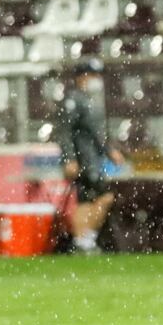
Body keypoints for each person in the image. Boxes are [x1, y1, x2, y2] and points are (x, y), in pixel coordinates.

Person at [58, 58, 125, 253]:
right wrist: (69, 159)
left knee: (88, 199)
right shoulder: (74, 100)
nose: (97, 79)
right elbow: (65, 132)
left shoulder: (90, 100)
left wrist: (109, 151)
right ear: (82, 77)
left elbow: (97, 133)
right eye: (93, 75)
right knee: (98, 197)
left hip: (93, 160)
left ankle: (84, 240)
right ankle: (83, 239)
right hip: (84, 160)